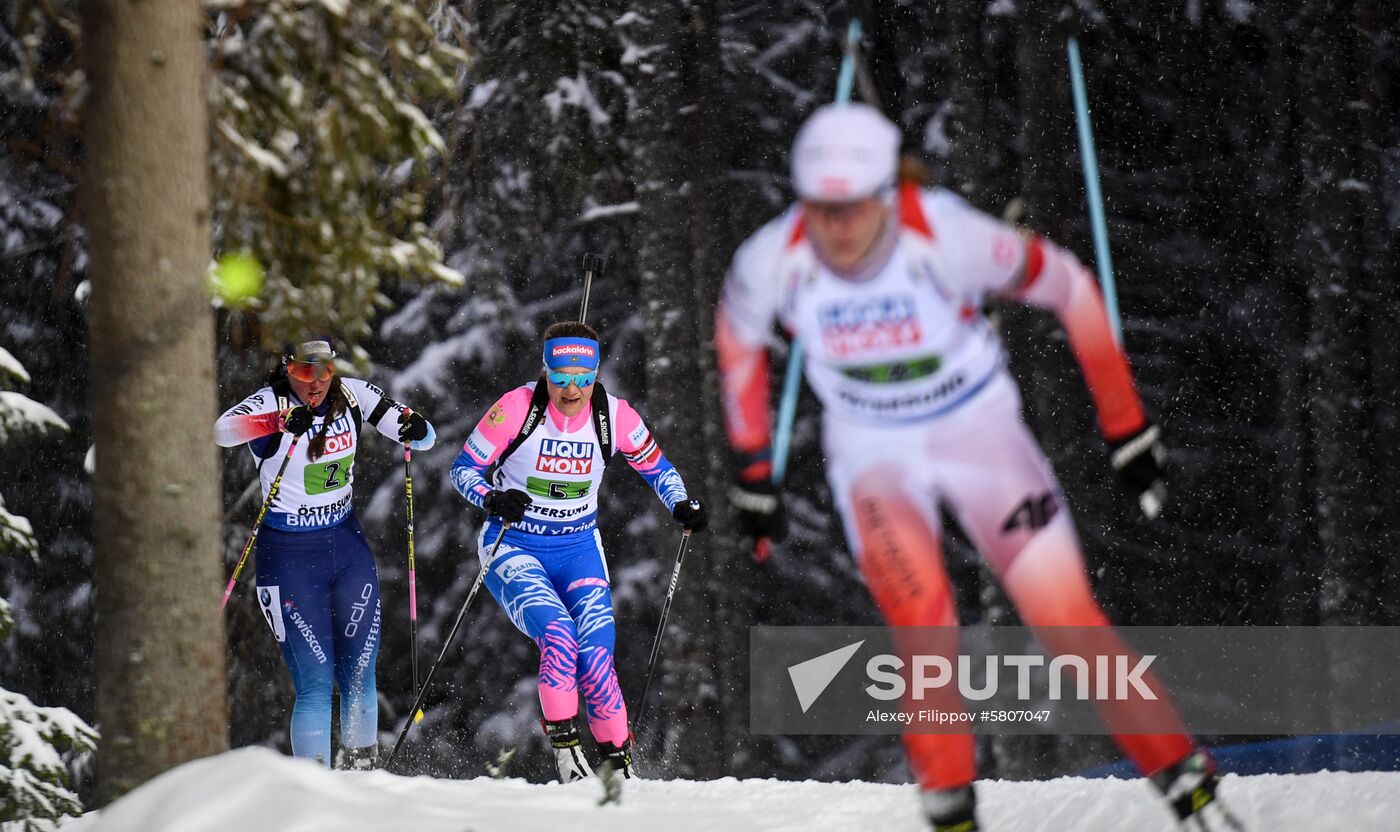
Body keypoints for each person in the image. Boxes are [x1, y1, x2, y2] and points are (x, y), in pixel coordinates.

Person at [715, 104, 1224, 831]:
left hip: (977, 434)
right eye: (820, 208)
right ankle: (952, 810)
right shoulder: (773, 260)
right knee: (921, 622)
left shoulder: (946, 233)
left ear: (888, 192)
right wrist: (753, 471)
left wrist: (1127, 428)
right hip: (872, 454)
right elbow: (736, 349)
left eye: (852, 207)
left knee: (1061, 615)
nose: (836, 227)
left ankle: (1181, 773)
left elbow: (1072, 291)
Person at [449, 321, 707, 783]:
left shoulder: (615, 416)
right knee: (560, 635)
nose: (572, 390)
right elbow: (463, 468)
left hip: (578, 547)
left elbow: (658, 467)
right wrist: (492, 498)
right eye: (562, 378)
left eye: (583, 379)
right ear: (545, 371)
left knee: (595, 657)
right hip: (513, 546)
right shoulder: (516, 408)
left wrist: (682, 505)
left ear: (594, 375)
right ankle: (567, 753)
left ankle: (618, 767)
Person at [215, 337, 436, 769]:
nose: (315, 382)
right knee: (315, 686)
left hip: (345, 546)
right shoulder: (270, 401)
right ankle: (316, 791)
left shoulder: (353, 394)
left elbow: (422, 436)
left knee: (359, 675)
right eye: (303, 372)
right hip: (289, 555)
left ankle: (362, 776)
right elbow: (222, 431)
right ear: (287, 369)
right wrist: (278, 421)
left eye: (324, 371)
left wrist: (413, 426)